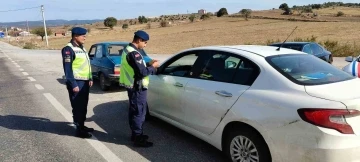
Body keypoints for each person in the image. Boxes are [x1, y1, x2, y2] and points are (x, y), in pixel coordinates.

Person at [122, 30, 159, 147]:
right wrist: (153, 67)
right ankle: (138, 138)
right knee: (139, 112)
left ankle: (135, 134)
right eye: (145, 43)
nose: (145, 45)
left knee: (134, 111)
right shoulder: (135, 53)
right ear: (139, 40)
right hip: (137, 87)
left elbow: (137, 67)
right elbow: (142, 72)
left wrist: (148, 64)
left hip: (132, 85)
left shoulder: (127, 49)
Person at [61, 27, 94, 138]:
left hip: (84, 82)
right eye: (82, 35)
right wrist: (73, 84)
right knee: (78, 106)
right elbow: (68, 69)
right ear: (75, 36)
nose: (85, 37)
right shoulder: (68, 49)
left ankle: (82, 125)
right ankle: (79, 130)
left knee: (83, 105)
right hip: (77, 83)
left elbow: (87, 65)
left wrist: (90, 78)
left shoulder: (82, 48)